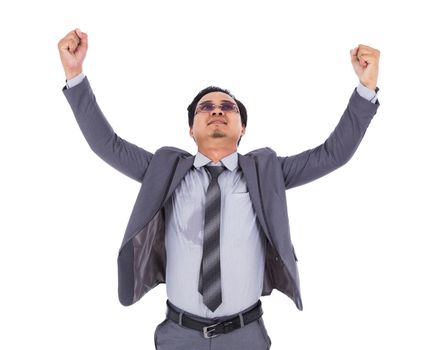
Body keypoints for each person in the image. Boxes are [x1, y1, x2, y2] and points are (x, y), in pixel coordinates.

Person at [58, 28, 381, 350]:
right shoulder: (165, 170)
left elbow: (333, 153)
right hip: (178, 333)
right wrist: (75, 75)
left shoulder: (266, 172)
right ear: (190, 128)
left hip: (245, 333)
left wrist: (365, 88)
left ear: (243, 129)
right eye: (205, 108)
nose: (216, 110)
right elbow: (106, 144)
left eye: (228, 108)